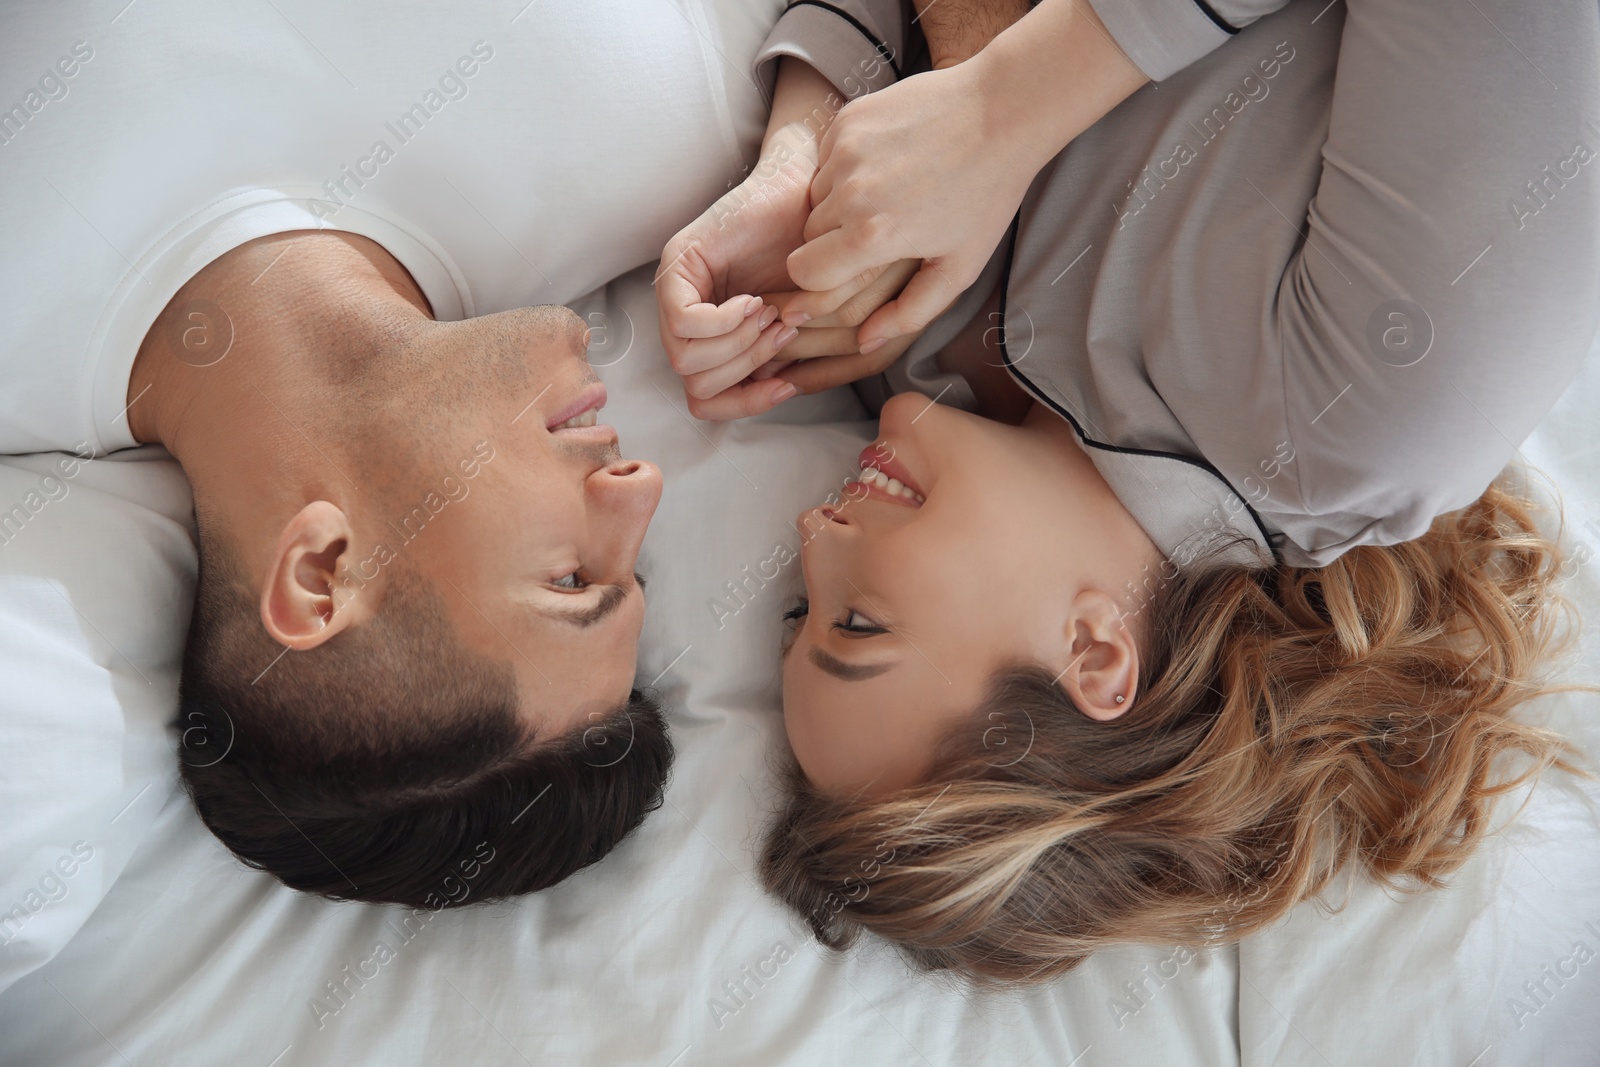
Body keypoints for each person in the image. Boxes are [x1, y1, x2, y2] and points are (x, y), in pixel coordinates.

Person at [660, 0, 1600, 981]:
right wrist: (993, 112)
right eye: (857, 624)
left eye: (803, 608)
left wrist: (800, 167)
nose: (813, 534)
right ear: (1093, 648)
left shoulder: (904, 360)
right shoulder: (1375, 410)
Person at [0, 0, 909, 906]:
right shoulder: (669, 161)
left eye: (571, 581)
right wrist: (812, 148)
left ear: (322, 571)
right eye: (636, 574)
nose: (642, 486)